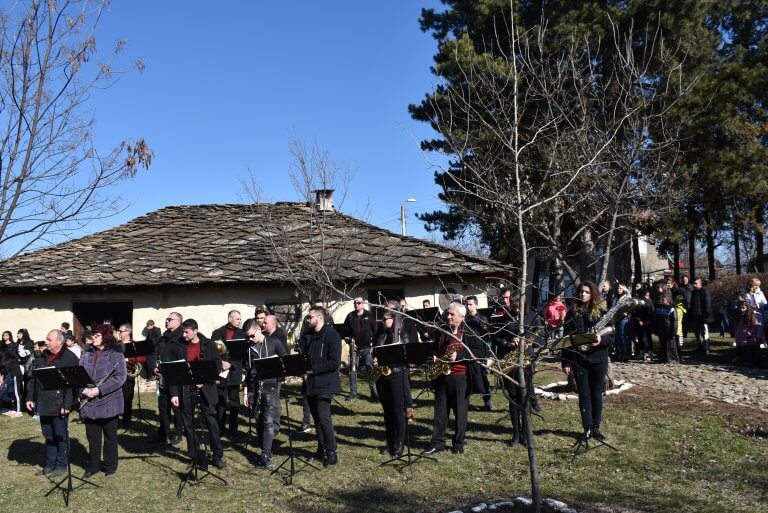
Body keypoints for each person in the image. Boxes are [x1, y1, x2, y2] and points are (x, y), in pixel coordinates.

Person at [423, 302, 486, 455]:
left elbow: (480, 351)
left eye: (452, 315)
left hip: (460, 377)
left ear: (461, 317)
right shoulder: (443, 329)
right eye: (447, 314)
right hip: (442, 375)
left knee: (460, 412)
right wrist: (434, 356)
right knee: (440, 412)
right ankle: (437, 442)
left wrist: (460, 355)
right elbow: (435, 348)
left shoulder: (470, 331)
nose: (448, 317)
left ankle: (458, 443)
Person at [171, 319, 228, 471]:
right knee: (189, 425)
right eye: (183, 331)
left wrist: (205, 380)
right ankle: (196, 456)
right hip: (186, 390)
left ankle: (217, 456)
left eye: (186, 332)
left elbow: (217, 366)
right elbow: (175, 371)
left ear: (195, 331)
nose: (183, 334)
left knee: (211, 423)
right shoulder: (179, 346)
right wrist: (174, 393)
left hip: (206, 390)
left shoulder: (209, 345)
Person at [561, 281, 613, 443]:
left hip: (598, 358)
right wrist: (566, 361)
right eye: (581, 292)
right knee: (584, 395)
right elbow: (566, 340)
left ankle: (596, 428)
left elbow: (612, 336)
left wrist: (601, 341)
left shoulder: (603, 312)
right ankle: (587, 429)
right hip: (579, 359)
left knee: (597, 394)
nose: (583, 294)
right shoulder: (571, 314)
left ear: (593, 294)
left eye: (586, 292)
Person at [25, 329, 80, 477]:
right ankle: (50, 464)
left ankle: (61, 464)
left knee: (60, 434)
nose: (46, 342)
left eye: (49, 340)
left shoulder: (70, 358)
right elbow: (34, 379)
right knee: (48, 434)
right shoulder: (42, 357)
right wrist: (30, 397)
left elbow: (72, 385)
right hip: (43, 403)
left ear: (59, 341)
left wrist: (67, 405)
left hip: (59, 404)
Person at [78, 324, 127, 478]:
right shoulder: (87, 353)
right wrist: (83, 390)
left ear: (105, 337)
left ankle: (110, 465)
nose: (93, 337)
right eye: (93, 335)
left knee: (110, 436)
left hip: (109, 400)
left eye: (97, 335)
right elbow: (79, 374)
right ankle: (93, 466)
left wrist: (99, 390)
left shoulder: (115, 353)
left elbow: (120, 377)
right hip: (89, 401)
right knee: (92, 437)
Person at [242, 317, 286, 469]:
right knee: (259, 421)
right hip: (254, 388)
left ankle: (265, 454)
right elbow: (247, 372)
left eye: (252, 336)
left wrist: (277, 374)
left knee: (268, 421)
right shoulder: (248, 349)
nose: (250, 339)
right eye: (247, 337)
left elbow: (285, 362)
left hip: (270, 386)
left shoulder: (274, 343)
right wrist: (246, 393)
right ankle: (264, 449)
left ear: (259, 329)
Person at [304, 305, 342, 467]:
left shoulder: (332, 335)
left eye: (310, 317)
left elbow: (334, 362)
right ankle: (321, 449)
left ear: (319, 318)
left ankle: (332, 452)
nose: (307, 320)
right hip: (311, 383)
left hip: (325, 383)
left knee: (324, 418)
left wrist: (312, 370)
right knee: (317, 419)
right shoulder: (310, 336)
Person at [371, 311, 410, 457]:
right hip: (382, 376)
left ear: (393, 319)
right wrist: (375, 358)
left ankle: (400, 444)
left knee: (398, 412)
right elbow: (376, 352)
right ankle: (390, 442)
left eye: (385, 319)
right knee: (387, 412)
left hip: (396, 375)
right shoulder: (382, 335)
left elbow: (405, 356)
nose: (383, 321)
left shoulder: (401, 335)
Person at [210, 310, 245, 437]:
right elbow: (213, 352)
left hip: (235, 372)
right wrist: (221, 363)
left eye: (240, 319)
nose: (240, 321)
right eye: (237, 319)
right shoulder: (217, 333)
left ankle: (233, 428)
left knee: (235, 401)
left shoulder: (242, 334)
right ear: (230, 318)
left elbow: (243, 354)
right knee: (221, 401)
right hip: (222, 372)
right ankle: (220, 427)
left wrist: (235, 365)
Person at [152, 312, 185, 446]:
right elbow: (155, 354)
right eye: (167, 319)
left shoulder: (182, 337)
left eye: (170, 319)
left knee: (176, 407)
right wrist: (154, 367)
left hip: (176, 378)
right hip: (162, 378)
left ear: (178, 321)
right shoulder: (163, 338)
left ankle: (178, 433)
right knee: (163, 407)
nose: (167, 321)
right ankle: (163, 432)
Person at [344, 297, 377, 401]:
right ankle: (353, 393)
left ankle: (374, 393)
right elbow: (345, 332)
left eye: (358, 303)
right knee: (352, 371)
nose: (356, 305)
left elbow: (375, 331)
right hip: (355, 349)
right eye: (355, 303)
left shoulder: (369, 315)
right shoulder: (350, 316)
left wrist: (373, 346)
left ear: (363, 304)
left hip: (367, 348)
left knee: (370, 370)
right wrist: (350, 342)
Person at [465, 295, 492, 410]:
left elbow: (487, 337)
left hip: (480, 351)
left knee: (483, 376)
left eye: (470, 304)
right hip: (468, 350)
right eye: (467, 304)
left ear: (476, 305)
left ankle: (487, 400)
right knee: (468, 376)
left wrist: (488, 353)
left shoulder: (482, 318)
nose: (468, 306)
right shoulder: (465, 319)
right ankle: (465, 400)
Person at [118, 323, 145, 429]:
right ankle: (116, 420)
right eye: (119, 331)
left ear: (128, 332)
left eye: (121, 331)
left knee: (127, 398)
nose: (119, 333)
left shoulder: (134, 344)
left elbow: (142, 359)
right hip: (117, 375)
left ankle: (126, 421)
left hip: (129, 375)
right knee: (117, 398)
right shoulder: (117, 344)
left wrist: (129, 360)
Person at [733, 302, 763, 368]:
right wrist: (736, 333)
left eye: (743, 308)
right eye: (740, 308)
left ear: (747, 308)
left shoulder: (751, 317)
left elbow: (755, 326)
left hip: (749, 338)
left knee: (749, 351)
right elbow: (736, 326)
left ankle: (751, 363)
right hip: (741, 337)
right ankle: (746, 362)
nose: (741, 309)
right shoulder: (739, 317)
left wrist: (749, 333)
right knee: (744, 351)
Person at [653, 296, 679, 363]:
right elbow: (656, 320)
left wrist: (673, 332)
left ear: (668, 301)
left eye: (664, 300)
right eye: (661, 300)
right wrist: (655, 329)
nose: (662, 301)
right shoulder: (658, 309)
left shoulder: (672, 309)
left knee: (671, 345)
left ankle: (674, 358)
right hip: (661, 330)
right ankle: (665, 358)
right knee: (663, 345)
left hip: (669, 330)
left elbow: (674, 321)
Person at [689, 278, 713, 354]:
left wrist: (706, 315)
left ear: (700, 284)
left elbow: (707, 304)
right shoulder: (693, 292)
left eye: (696, 283)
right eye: (694, 283)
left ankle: (706, 348)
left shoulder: (705, 292)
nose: (694, 285)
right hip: (695, 315)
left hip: (703, 316)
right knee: (697, 332)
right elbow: (692, 304)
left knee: (704, 332)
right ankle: (699, 346)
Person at [0, 348, 24, 417]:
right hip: (12, 377)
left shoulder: (12, 362)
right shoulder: (8, 362)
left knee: (16, 393)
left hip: (15, 376)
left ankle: (19, 411)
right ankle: (14, 409)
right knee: (13, 393)